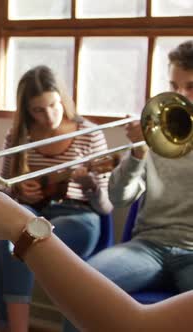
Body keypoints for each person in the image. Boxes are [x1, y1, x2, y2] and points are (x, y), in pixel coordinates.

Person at [0, 182, 193, 331]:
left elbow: (133, 326)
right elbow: (123, 193)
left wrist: (22, 227)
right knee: (86, 292)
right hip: (147, 244)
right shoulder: (157, 147)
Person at [62, 40, 193, 331]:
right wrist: (137, 152)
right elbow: (119, 198)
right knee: (78, 291)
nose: (180, 96)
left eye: (191, 87)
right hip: (147, 248)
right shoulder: (159, 133)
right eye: (174, 85)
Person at [0, 65, 113, 332]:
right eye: (38, 110)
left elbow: (105, 207)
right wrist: (19, 192)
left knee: (26, 241)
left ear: (63, 99)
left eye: (54, 105)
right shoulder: (18, 136)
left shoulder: (88, 134)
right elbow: (5, 190)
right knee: (5, 246)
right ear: (26, 111)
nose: (49, 116)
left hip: (78, 217)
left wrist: (89, 184)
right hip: (30, 212)